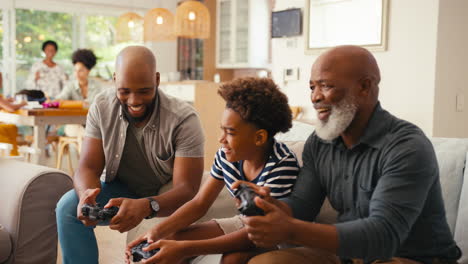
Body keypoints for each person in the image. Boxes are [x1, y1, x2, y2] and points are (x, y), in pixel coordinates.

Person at [236, 45, 462, 264]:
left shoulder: (406, 146)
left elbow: (383, 235)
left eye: (325, 86)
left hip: (408, 257)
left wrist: (290, 230)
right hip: (348, 254)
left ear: (364, 87)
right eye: (312, 87)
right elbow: (302, 206)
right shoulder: (320, 142)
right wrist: (269, 206)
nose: (315, 97)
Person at [55, 45, 205, 264]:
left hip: (166, 189)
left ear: (157, 80)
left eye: (144, 91)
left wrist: (148, 205)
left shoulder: (183, 119)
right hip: (122, 186)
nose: (134, 101)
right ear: (115, 80)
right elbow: (88, 166)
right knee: (67, 208)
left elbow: (187, 188)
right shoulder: (102, 106)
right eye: (125, 91)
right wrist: (87, 195)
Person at [126, 77, 300, 264]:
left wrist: (184, 249)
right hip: (245, 222)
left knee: (232, 259)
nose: (221, 139)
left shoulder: (281, 166)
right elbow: (200, 203)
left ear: (259, 138)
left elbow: (261, 233)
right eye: (222, 130)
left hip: (277, 236)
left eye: (230, 133)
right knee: (168, 239)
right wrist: (158, 231)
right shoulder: (227, 157)